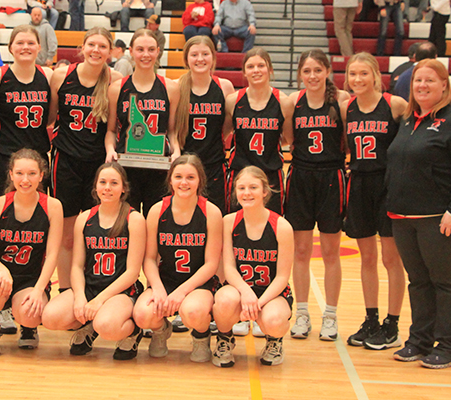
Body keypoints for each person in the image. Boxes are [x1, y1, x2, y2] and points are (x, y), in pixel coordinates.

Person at [387, 59, 451, 368]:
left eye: (430, 80)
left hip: (442, 219)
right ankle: (420, 341)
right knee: (418, 281)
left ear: (444, 84)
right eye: (418, 80)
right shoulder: (407, 120)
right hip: (405, 218)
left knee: (446, 281)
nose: (423, 85)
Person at [42, 163, 147, 360]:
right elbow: (76, 266)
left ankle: (133, 332)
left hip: (121, 291)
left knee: (106, 325)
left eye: (114, 183)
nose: (107, 188)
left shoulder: (134, 219)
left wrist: (99, 301)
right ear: (95, 187)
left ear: (123, 188)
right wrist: (80, 297)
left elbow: (132, 272)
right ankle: (89, 327)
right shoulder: (84, 218)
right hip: (90, 287)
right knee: (50, 317)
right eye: (103, 182)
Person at [48, 27, 123, 297]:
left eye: (102, 46)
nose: (96, 50)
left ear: (110, 52)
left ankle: (93, 291)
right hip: (65, 162)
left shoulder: (115, 81)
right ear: (82, 47)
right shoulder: (62, 75)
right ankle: (65, 292)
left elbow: (115, 126)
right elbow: (51, 117)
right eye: (91, 44)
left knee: (96, 236)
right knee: (67, 236)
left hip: (98, 167)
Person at [340, 52, 407, 350]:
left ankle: (392, 324)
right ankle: (371, 319)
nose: (358, 79)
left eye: (363, 73)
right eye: (353, 74)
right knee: (367, 257)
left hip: (388, 186)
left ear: (376, 76)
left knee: (391, 258)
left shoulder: (395, 105)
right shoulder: (347, 108)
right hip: (359, 184)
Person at [286, 50, 351, 341]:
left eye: (317, 70)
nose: (312, 76)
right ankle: (302, 313)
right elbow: (289, 140)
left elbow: (347, 141)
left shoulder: (342, 101)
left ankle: (331, 316)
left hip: (331, 178)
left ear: (327, 71)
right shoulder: (293, 102)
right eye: (307, 71)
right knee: (300, 251)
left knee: (330, 252)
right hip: (300, 177)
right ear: (300, 74)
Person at [133, 155, 223, 362]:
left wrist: (181, 293)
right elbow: (149, 258)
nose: (184, 182)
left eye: (190, 177)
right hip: (166, 280)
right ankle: (161, 330)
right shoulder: (157, 210)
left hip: (199, 283)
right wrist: (157, 288)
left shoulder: (211, 212)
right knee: (142, 315)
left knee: (193, 312)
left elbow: (211, 263)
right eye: (178, 177)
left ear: (200, 180)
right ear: (170, 180)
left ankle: (201, 336)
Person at [0, 149, 63, 357]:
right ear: (11, 175)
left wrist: (39, 289)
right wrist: (2, 270)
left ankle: (28, 328)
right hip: (0, 276)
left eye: (32, 174)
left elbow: (52, 255)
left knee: (30, 313)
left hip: (31, 279)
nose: (25, 180)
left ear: (41, 176)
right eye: (19, 173)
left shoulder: (52, 206)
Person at [212, 166, 294, 367]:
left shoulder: (282, 226)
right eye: (241, 188)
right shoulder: (228, 221)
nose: (247, 193)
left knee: (275, 321)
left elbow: (282, 277)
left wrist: (257, 303)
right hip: (239, 289)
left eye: (253, 187)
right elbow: (229, 268)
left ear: (265, 191)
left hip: (271, 292)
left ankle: (274, 341)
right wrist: (246, 293)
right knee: (223, 301)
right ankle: (224, 338)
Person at [105, 29, 181, 217]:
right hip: (126, 167)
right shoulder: (117, 88)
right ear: (131, 51)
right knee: (126, 222)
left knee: (155, 221)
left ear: (158, 51)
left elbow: (172, 131)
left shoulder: (171, 88)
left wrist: (176, 151)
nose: (146, 55)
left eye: (151, 49)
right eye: (140, 49)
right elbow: (111, 131)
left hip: (158, 168)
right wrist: (110, 149)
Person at [0, 25, 53, 200]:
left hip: (37, 156)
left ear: (39, 47)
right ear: (10, 47)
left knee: (37, 209)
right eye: (20, 43)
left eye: (31, 43)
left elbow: (50, 118)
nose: (25, 47)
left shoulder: (48, 76)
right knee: (0, 206)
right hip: (4, 155)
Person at [225, 47, 294, 214]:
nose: (256, 70)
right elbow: (222, 134)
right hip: (240, 173)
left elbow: (289, 139)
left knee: (272, 223)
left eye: (261, 65)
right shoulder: (233, 101)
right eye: (250, 66)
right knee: (236, 222)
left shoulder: (283, 102)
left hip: (270, 174)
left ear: (270, 69)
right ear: (244, 72)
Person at [175, 36, 235, 212]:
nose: (200, 59)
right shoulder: (176, 87)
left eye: (205, 54)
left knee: (216, 215)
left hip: (214, 165)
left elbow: (228, 126)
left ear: (213, 57)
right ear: (186, 59)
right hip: (184, 166)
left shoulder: (224, 87)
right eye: (194, 55)